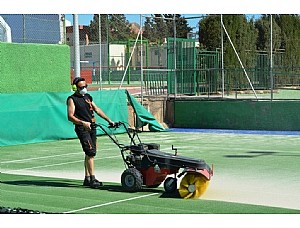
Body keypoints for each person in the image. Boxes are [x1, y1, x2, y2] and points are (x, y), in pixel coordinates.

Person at [67, 77, 114, 189]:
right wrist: (83, 123)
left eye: (85, 86)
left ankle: (87, 178)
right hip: (82, 129)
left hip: (92, 127)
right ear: (75, 88)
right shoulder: (72, 99)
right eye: (81, 87)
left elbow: (97, 109)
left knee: (89, 153)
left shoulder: (88, 97)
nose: (84, 89)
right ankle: (93, 179)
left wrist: (109, 120)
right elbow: (70, 116)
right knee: (91, 152)